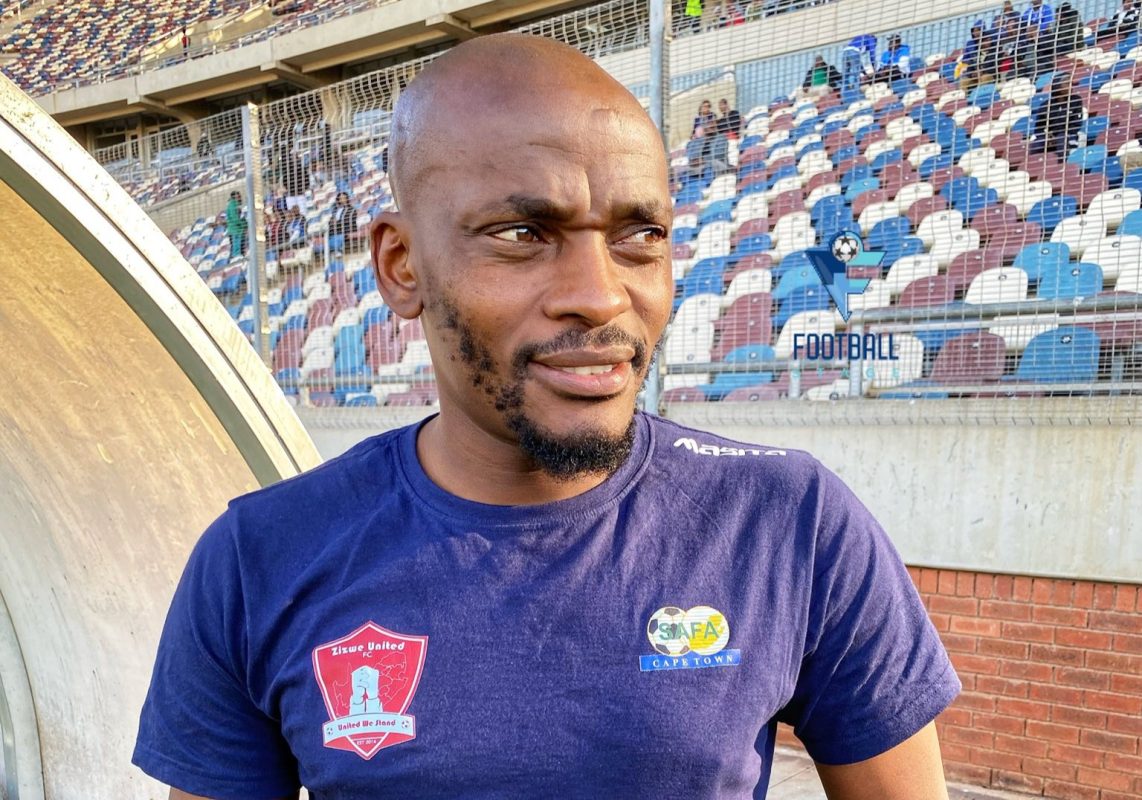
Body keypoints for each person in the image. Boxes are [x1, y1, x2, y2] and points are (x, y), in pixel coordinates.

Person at [132, 34, 959, 800]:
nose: (600, 296)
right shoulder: (258, 559)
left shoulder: (791, 521)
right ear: (401, 264)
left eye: (641, 235)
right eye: (523, 233)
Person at [1030, 73, 1085, 156]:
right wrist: (1047, 136)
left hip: (1068, 135)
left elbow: (1076, 124)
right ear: (1058, 86)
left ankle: (1062, 162)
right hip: (1050, 137)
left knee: (1061, 139)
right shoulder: (1046, 105)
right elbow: (1039, 129)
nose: (1071, 86)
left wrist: (1057, 134)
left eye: (1071, 84)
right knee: (1036, 145)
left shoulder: (1076, 100)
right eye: (1067, 84)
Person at [688, 98, 729, 173]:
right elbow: (691, 159)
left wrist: (703, 160)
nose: (710, 124)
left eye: (713, 122)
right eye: (708, 123)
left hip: (715, 166)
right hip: (700, 168)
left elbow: (719, 155)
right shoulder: (695, 142)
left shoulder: (721, 138)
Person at [224, 190, 247, 258]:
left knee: (240, 249)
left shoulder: (235, 205)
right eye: (239, 197)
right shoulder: (232, 205)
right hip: (236, 231)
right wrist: (244, 225)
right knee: (237, 251)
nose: (240, 198)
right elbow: (235, 219)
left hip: (238, 230)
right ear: (234, 197)